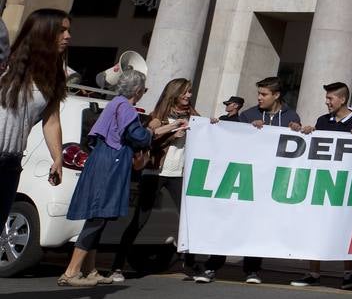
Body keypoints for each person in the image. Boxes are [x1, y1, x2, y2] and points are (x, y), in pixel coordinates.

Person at [200, 76, 301, 283]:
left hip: (271, 181)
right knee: (230, 221)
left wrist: (298, 130)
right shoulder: (248, 115)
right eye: (259, 93)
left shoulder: (291, 115)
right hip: (246, 178)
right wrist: (218, 126)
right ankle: (212, 266)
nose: (259, 97)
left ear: (276, 95)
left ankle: (252, 270)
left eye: (264, 94)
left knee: (257, 225)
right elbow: (233, 140)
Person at [59, 67, 152, 286]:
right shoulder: (125, 107)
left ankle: (90, 269)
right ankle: (72, 271)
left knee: (98, 216)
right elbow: (137, 137)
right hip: (112, 162)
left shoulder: (114, 103)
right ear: (137, 90)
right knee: (98, 216)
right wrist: (151, 132)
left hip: (101, 158)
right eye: (143, 89)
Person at [112, 77, 197, 282]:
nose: (188, 96)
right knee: (140, 220)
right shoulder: (157, 116)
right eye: (185, 92)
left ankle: (192, 265)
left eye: (190, 92)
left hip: (179, 174)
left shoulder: (194, 116)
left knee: (189, 219)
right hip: (155, 173)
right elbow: (146, 142)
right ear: (174, 94)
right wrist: (170, 137)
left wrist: (212, 123)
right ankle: (117, 266)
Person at [0, 9, 69, 248]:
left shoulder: (52, 77)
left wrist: (58, 158)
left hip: (10, 164)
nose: (68, 36)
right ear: (43, 33)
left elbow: (51, 121)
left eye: (68, 30)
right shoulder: (5, 66)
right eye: (61, 30)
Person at [290, 82, 352, 289]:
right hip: (321, 182)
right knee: (316, 224)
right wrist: (307, 131)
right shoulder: (322, 121)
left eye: (330, 98)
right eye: (326, 98)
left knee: (344, 227)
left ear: (342, 99)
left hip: (344, 184)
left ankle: (348, 273)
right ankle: (313, 272)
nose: (326, 102)